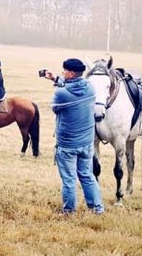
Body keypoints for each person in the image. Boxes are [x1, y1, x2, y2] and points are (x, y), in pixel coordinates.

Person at [43, 58, 104, 215]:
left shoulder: (61, 94)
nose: (62, 73)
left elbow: (56, 109)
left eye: (64, 71)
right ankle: (97, 209)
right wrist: (55, 79)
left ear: (70, 73)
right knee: (87, 175)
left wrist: (58, 83)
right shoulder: (90, 87)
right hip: (87, 142)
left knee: (69, 179)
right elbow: (72, 86)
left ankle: (69, 211)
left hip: (68, 144)